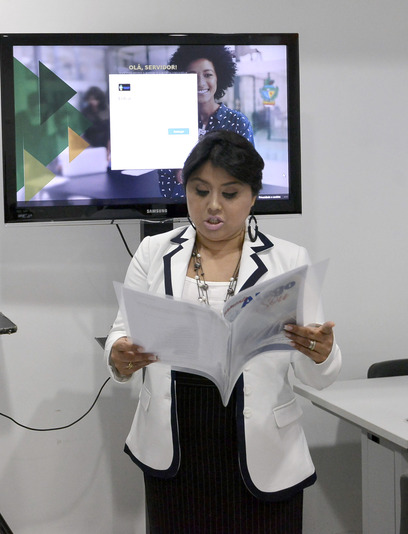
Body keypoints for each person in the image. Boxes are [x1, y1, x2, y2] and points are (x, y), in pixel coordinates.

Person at [105, 131, 341, 533]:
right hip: (174, 445)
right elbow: (121, 333)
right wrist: (119, 355)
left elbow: (317, 375)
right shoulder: (153, 252)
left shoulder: (289, 260)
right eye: (200, 191)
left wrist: (320, 353)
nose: (213, 205)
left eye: (230, 194)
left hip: (264, 450)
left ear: (253, 196)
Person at [159, 45, 254, 198]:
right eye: (191, 75)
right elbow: (166, 186)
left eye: (208, 75)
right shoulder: (171, 121)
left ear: (218, 77)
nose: (200, 83)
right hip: (179, 206)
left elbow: (248, 176)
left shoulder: (238, 122)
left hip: (223, 210)